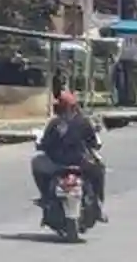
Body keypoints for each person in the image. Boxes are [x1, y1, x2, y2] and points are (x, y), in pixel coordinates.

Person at [31, 91, 108, 222]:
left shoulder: (54, 123)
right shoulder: (83, 122)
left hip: (56, 165)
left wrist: (42, 145)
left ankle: (45, 197)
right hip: (80, 163)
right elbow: (93, 143)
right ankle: (98, 205)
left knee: (36, 163)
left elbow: (45, 144)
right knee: (99, 170)